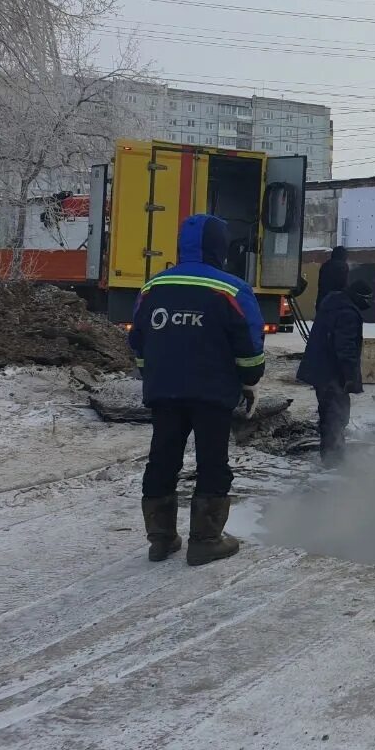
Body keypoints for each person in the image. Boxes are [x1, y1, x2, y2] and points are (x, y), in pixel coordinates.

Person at [129, 214, 265, 567]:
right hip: (212, 394)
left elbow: (138, 343)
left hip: (164, 393)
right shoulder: (232, 289)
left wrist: (154, 378)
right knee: (212, 463)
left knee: (162, 459)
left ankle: (161, 540)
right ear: (219, 247)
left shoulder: (152, 287)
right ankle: (205, 540)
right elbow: (249, 348)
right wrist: (250, 381)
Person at [297, 279, 371, 465]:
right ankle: (333, 459)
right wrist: (350, 378)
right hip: (332, 373)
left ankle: (331, 454)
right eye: (368, 299)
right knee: (336, 415)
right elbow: (345, 349)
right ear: (359, 297)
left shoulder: (333, 303)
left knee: (329, 413)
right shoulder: (347, 313)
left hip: (320, 370)